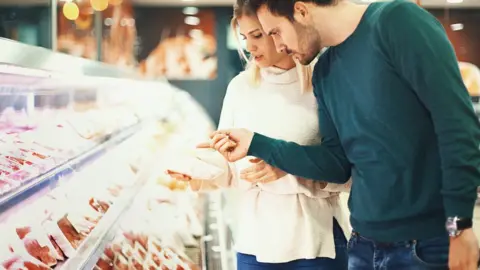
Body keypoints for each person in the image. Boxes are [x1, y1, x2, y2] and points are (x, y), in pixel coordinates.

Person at [205, 0, 480, 269]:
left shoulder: (396, 21)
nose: (278, 45)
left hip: (426, 245)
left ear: (301, 10)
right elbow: (336, 165)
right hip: (362, 245)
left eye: (275, 31)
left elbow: (458, 127)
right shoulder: (325, 71)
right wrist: (256, 143)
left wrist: (459, 226)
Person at [166, 2, 351, 269]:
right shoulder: (240, 88)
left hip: (315, 243)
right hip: (255, 244)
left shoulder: (323, 83)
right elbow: (232, 169)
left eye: (257, 35)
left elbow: (344, 172)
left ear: (279, 29)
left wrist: (287, 168)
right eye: (244, 37)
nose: (250, 47)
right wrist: (198, 170)